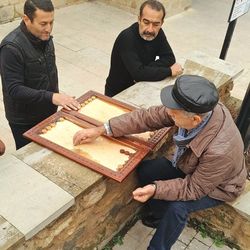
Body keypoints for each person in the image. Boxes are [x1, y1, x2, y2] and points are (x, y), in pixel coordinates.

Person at [73, 75, 247, 250]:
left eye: (173, 114)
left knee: (178, 209)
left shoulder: (219, 150)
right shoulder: (195, 108)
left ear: (195, 120)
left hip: (219, 187)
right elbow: (148, 117)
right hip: (192, 167)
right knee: (147, 170)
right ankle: (159, 217)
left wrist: (156, 189)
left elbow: (194, 189)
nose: (168, 113)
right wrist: (103, 129)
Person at [0, 0, 80, 150]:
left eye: (51, 22)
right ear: (26, 19)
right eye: (43, 24)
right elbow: (14, 89)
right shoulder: (11, 48)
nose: (48, 29)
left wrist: (56, 97)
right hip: (25, 120)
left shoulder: (45, 37)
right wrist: (52, 97)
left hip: (47, 111)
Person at [105, 0, 183, 97]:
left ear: (162, 23)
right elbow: (138, 74)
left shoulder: (159, 33)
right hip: (118, 93)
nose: (150, 29)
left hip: (140, 88)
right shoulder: (127, 38)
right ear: (139, 19)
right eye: (146, 22)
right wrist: (169, 71)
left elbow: (169, 58)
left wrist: (145, 70)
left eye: (156, 24)